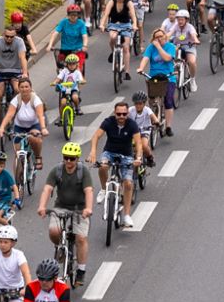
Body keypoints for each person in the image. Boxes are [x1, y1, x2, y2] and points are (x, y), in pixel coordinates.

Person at [37, 141, 94, 284]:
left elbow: (89, 191)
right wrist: (42, 206)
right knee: (54, 231)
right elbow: (47, 189)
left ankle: (81, 270)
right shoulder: (57, 170)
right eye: (66, 157)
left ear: (77, 159)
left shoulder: (83, 172)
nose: (68, 161)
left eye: (72, 158)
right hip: (61, 206)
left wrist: (88, 208)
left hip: (79, 209)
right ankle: (60, 247)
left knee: (81, 238)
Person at [90, 97, 147, 225]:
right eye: (118, 114)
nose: (121, 116)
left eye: (124, 114)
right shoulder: (108, 122)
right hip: (109, 152)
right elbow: (96, 136)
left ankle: (126, 215)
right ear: (114, 113)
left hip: (126, 155)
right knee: (103, 166)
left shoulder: (132, 124)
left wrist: (138, 158)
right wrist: (93, 151)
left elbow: (138, 143)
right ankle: (104, 189)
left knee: (128, 183)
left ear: (127, 113)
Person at [0, 74, 48, 171]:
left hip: (34, 125)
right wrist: (2, 128)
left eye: (26, 87)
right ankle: (17, 178)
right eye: (22, 87)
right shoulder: (16, 100)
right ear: (18, 88)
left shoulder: (36, 100)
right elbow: (9, 114)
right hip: (19, 127)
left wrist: (43, 128)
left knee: (34, 138)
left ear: (30, 88)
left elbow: (40, 115)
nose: (24, 89)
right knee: (17, 154)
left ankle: (38, 157)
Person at [0, 20, 29, 105]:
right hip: (1, 71)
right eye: (7, 36)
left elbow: (22, 58)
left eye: (11, 37)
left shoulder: (19, 41)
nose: (9, 38)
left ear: (15, 35)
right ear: (3, 34)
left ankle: (19, 107)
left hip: (16, 71)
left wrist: (24, 73)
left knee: (18, 90)